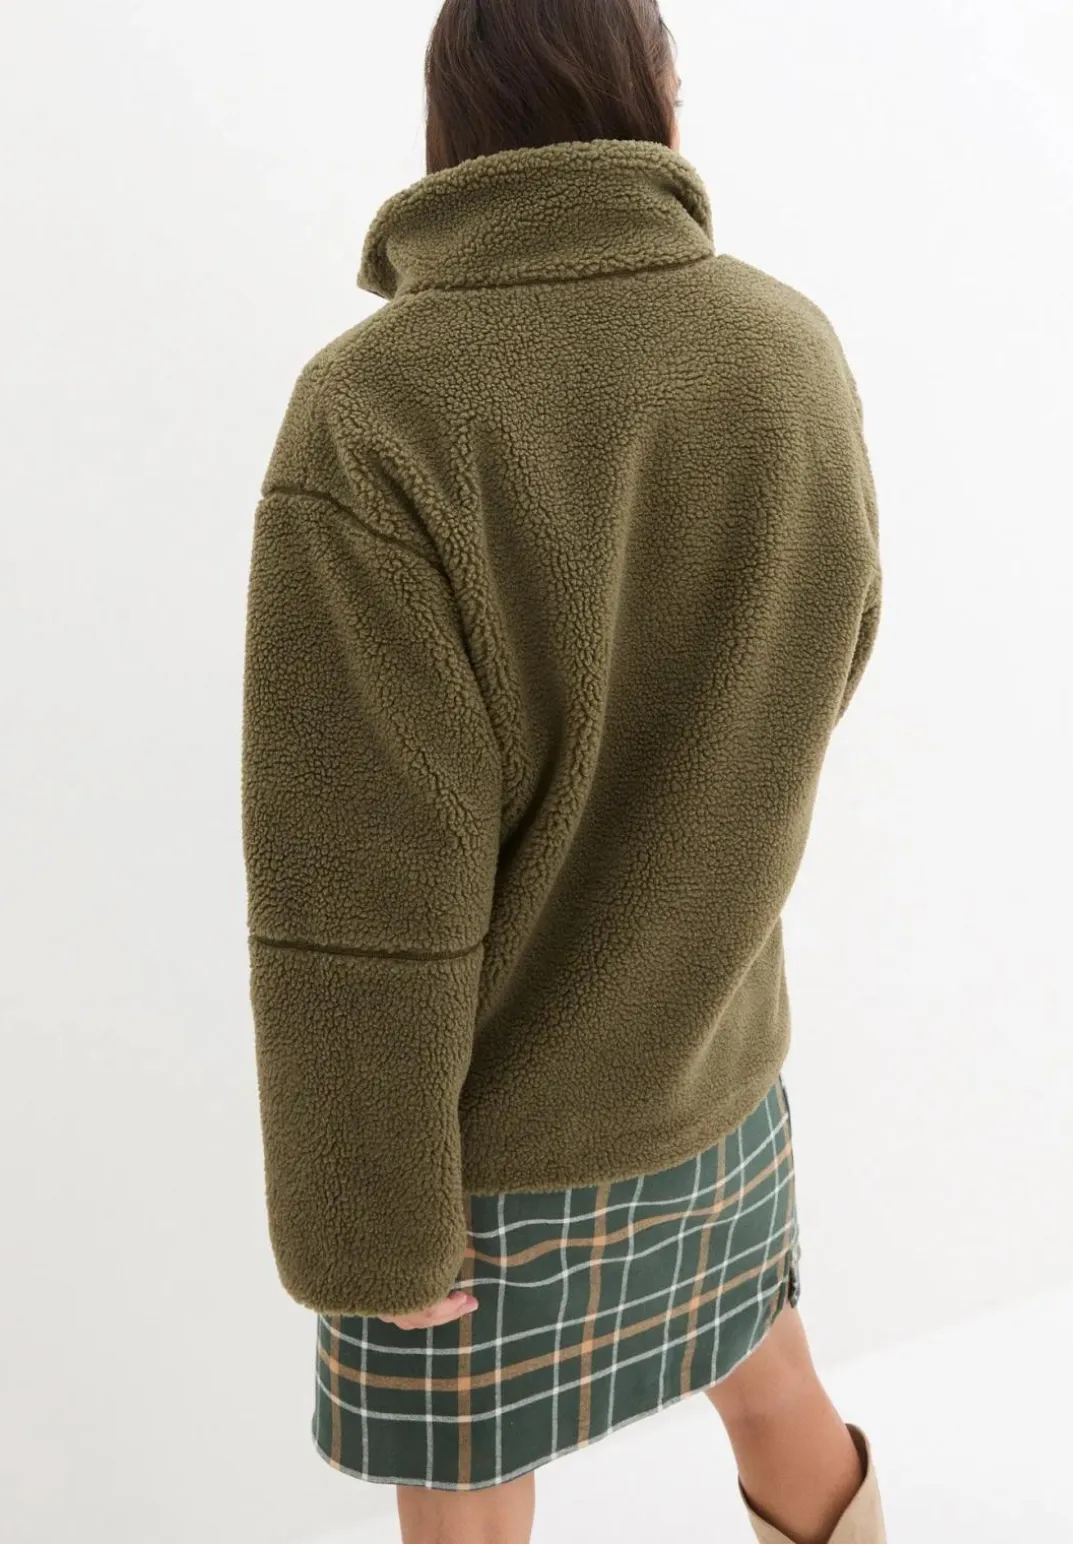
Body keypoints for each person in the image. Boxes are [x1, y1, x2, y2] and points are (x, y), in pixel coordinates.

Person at [239, 2, 886, 1542]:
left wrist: (369, 1214)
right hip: (713, 1072)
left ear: (449, 123)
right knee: (774, 1389)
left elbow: (358, 870)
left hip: (480, 1151)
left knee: (465, 1492)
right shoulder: (783, 347)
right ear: (652, 100)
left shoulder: (380, 407)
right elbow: (824, 659)